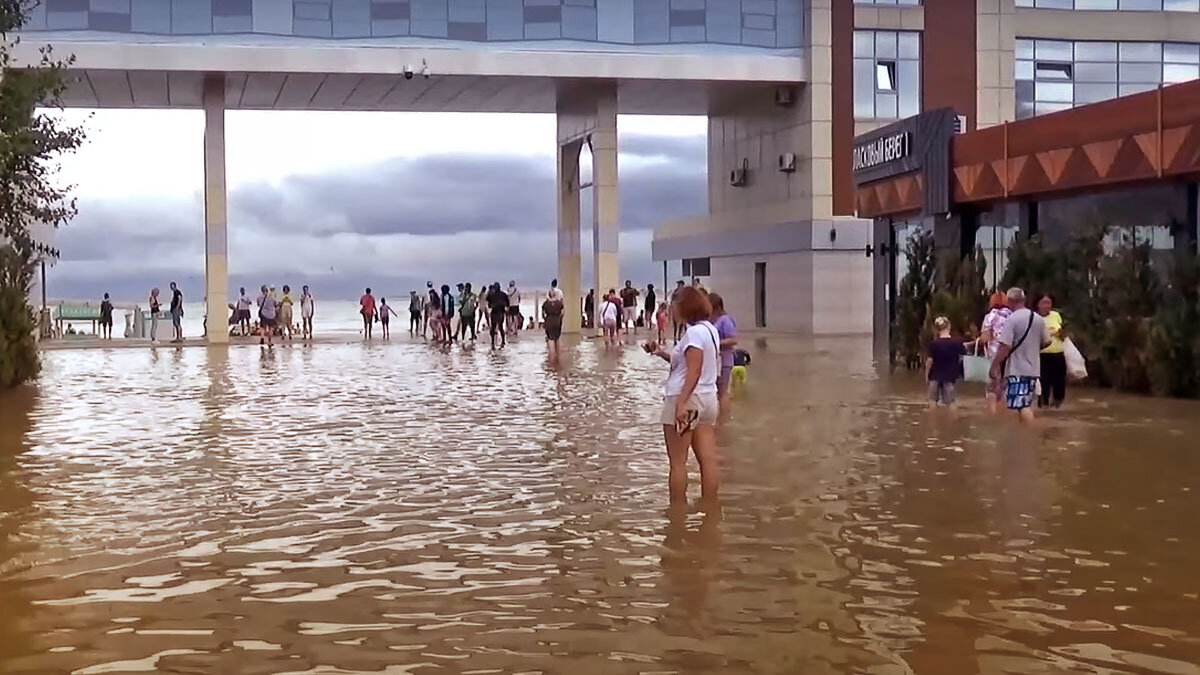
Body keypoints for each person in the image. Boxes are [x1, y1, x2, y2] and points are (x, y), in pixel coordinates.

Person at [642, 286, 721, 506]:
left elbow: (693, 370)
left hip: (687, 398)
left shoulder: (694, 333)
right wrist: (660, 353)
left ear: (683, 306)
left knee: (677, 462)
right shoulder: (709, 330)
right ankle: (710, 508)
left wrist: (682, 403)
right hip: (707, 398)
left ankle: (677, 514)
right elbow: (687, 366)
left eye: (673, 306)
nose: (671, 311)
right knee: (708, 460)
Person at [990, 287, 1048, 423]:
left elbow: (1005, 346)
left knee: (1022, 405)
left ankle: (1030, 435)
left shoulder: (1012, 320)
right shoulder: (1038, 319)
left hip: (1017, 370)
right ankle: (1025, 435)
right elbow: (1047, 342)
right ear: (1024, 299)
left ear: (1009, 301)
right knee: (1026, 403)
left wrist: (995, 365)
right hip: (1034, 369)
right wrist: (1031, 349)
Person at [979, 291, 1012, 414]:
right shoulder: (1012, 316)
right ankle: (1005, 413)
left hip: (994, 357)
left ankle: (993, 414)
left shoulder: (990, 317)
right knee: (1005, 387)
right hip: (1010, 356)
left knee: (992, 388)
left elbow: (984, 339)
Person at [709, 293, 738, 425]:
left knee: (722, 392)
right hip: (717, 361)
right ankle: (721, 418)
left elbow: (733, 340)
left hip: (725, 361)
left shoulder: (725, 320)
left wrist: (716, 343)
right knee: (717, 392)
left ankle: (725, 419)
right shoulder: (714, 321)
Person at [926, 316, 966, 408]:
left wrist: (927, 376)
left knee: (932, 402)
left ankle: (932, 421)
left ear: (937, 329)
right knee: (951, 403)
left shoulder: (934, 344)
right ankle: (952, 421)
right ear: (949, 327)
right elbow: (962, 358)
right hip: (950, 377)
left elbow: (929, 361)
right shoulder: (957, 343)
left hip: (934, 376)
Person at [1037, 293, 1067, 409]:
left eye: (1049, 303)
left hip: (1058, 354)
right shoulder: (1035, 318)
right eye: (1044, 303)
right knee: (1043, 384)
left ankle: (1057, 409)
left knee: (1059, 384)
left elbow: (1063, 334)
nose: (1047, 306)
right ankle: (1043, 408)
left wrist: (1060, 333)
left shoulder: (1056, 315)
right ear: (1037, 304)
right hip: (1042, 355)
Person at [487, 282, 509, 348]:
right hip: (501, 313)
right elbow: (508, 304)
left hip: (494, 313)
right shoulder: (504, 294)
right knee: (501, 327)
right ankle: (503, 341)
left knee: (493, 328)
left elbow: (489, 305)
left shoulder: (492, 295)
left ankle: (493, 342)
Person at [543, 294, 564, 359]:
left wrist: (546, 319)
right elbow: (562, 313)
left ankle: (552, 356)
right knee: (557, 338)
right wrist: (559, 319)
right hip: (557, 321)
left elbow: (543, 314)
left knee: (550, 339)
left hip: (549, 321)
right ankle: (558, 356)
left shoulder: (546, 303)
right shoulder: (559, 303)